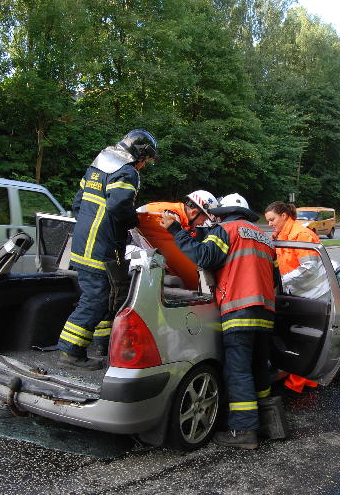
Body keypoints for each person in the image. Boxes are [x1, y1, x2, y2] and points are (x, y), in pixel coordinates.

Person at [160, 193, 276, 450]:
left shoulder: (226, 230)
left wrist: (177, 231)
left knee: (238, 371)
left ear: (224, 213)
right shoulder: (264, 238)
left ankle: (244, 430)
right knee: (258, 368)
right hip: (266, 312)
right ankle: (266, 420)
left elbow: (204, 258)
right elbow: (275, 278)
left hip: (239, 310)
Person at [56, 129, 158, 370]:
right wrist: (134, 221)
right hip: (100, 247)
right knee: (97, 297)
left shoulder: (97, 168)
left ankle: (103, 344)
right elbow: (119, 207)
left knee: (107, 296)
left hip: (83, 243)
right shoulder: (127, 171)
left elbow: (78, 204)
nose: (144, 166)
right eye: (145, 161)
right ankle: (70, 352)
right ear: (140, 155)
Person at [264, 200, 327, 395]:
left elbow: (308, 268)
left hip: (314, 295)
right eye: (267, 221)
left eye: (272, 219)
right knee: (300, 337)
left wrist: (282, 280)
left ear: (284, 215)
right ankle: (308, 383)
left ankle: (295, 386)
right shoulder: (282, 235)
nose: (269, 224)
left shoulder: (301, 234)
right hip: (300, 294)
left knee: (303, 339)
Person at [143, 190, 218, 238]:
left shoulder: (179, 216)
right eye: (204, 220)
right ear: (193, 213)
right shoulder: (171, 218)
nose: (202, 224)